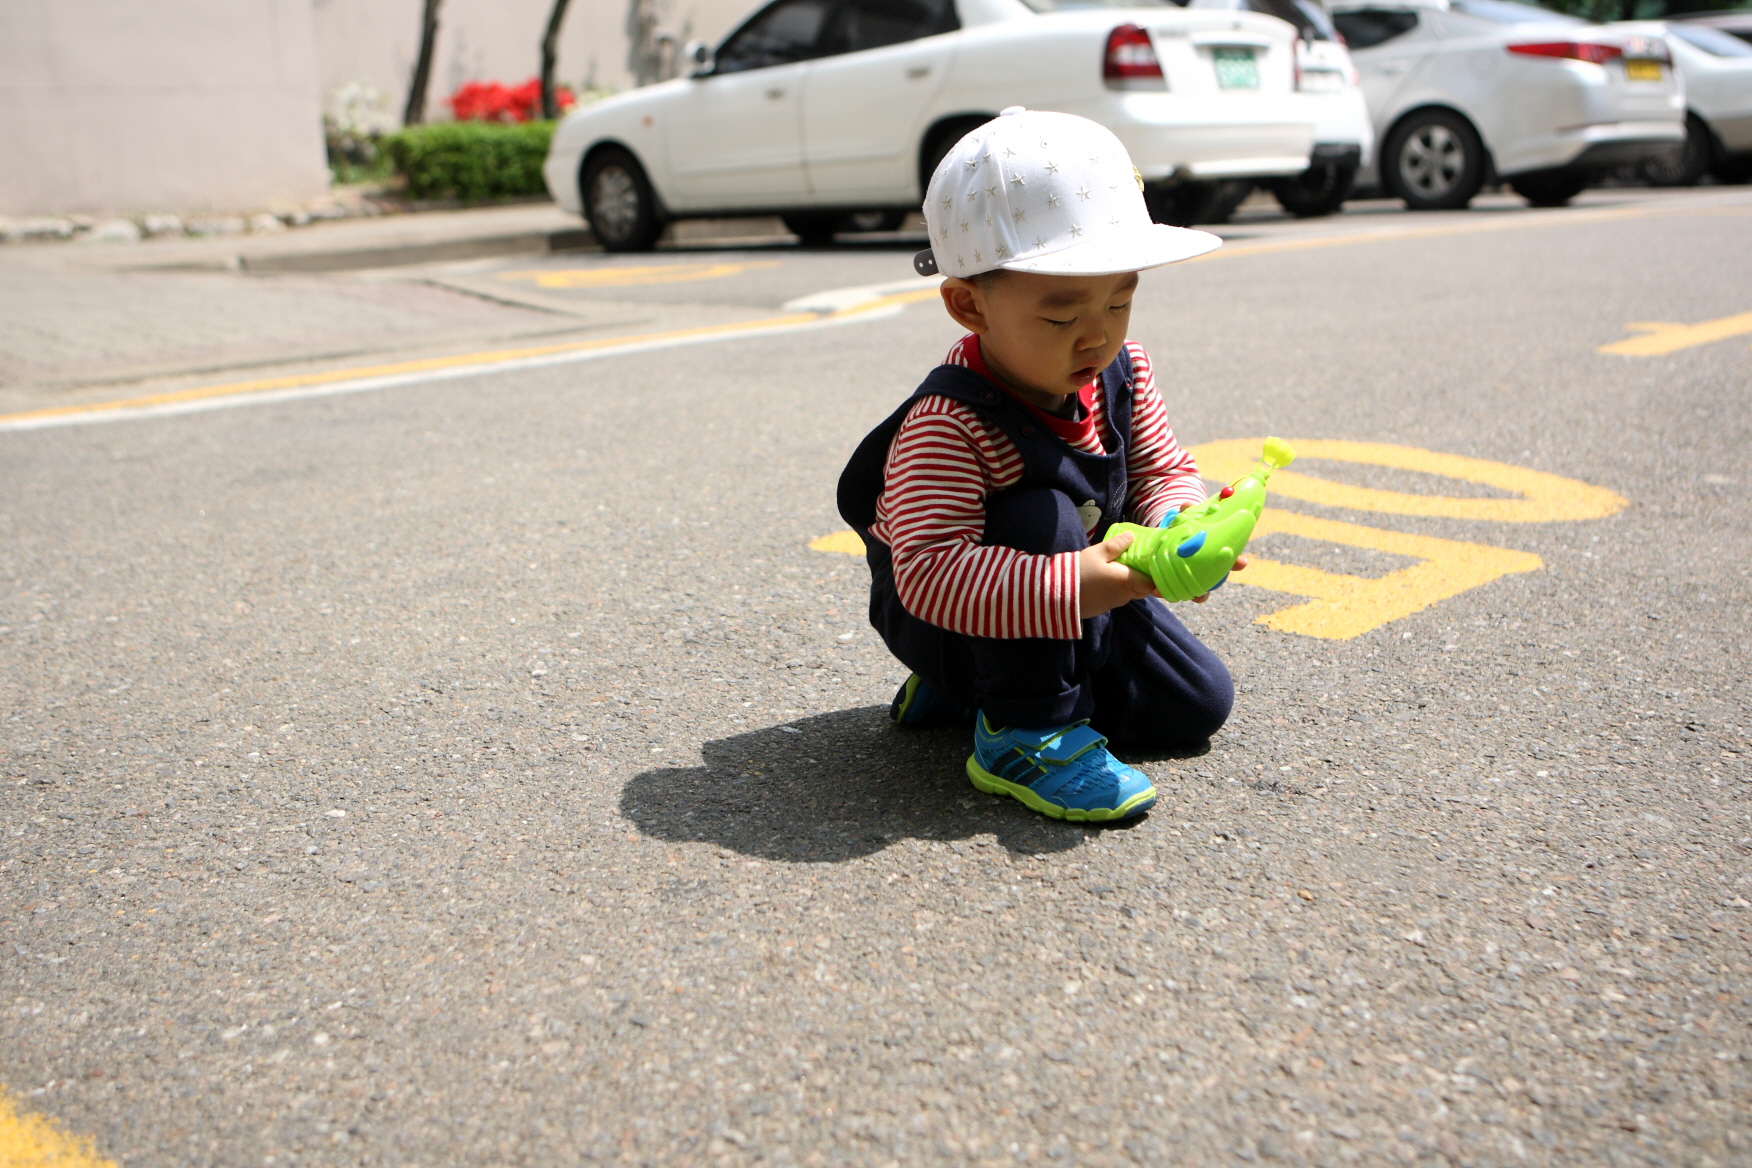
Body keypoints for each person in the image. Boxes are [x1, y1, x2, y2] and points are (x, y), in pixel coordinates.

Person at [836, 107, 1246, 823]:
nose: (1097, 337)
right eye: (1061, 316)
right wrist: (1079, 583)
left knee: (1196, 704)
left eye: (1120, 301)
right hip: (947, 615)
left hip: (1063, 592)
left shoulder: (1123, 371)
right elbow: (928, 574)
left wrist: (1180, 522)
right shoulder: (949, 422)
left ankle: (976, 692)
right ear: (969, 307)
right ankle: (1023, 733)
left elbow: (1158, 470)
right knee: (1041, 513)